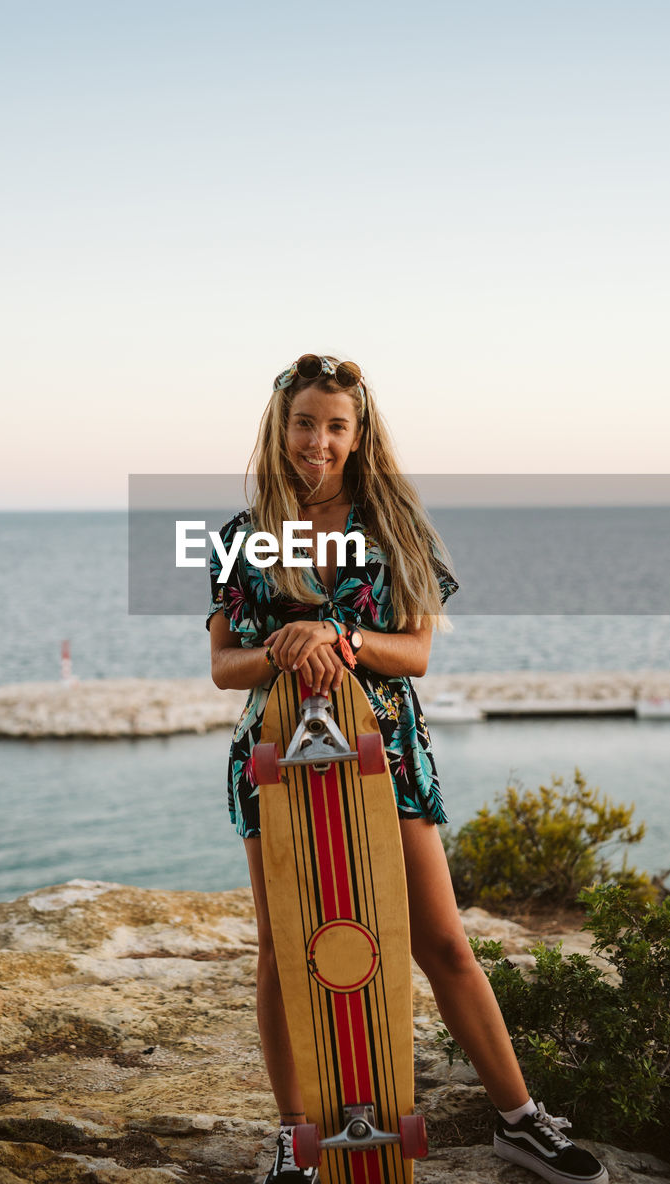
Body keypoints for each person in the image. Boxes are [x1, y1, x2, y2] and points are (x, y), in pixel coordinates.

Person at [207, 354, 609, 1184]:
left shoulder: (396, 525)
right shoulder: (242, 535)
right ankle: (298, 1137)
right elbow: (222, 667)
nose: (317, 440)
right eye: (303, 422)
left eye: (335, 425)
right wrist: (287, 643)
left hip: (384, 747)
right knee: (285, 951)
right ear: (279, 428)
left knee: (439, 940)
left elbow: (416, 653)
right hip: (275, 756)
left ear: (359, 436)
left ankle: (518, 1119)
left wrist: (342, 639)